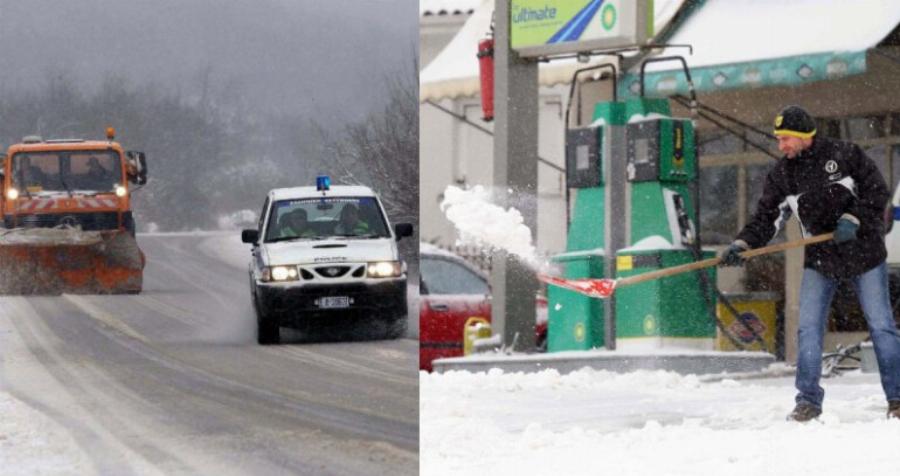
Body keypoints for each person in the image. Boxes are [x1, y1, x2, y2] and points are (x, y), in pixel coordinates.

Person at [720, 105, 900, 422]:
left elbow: (877, 191)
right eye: (779, 139)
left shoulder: (845, 155)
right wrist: (743, 244)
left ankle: (897, 399)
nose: (781, 146)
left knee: (882, 326)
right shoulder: (783, 175)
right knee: (808, 328)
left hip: (864, 253)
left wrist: (853, 218)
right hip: (821, 259)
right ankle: (808, 401)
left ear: (804, 135)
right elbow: (766, 218)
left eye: (786, 138)